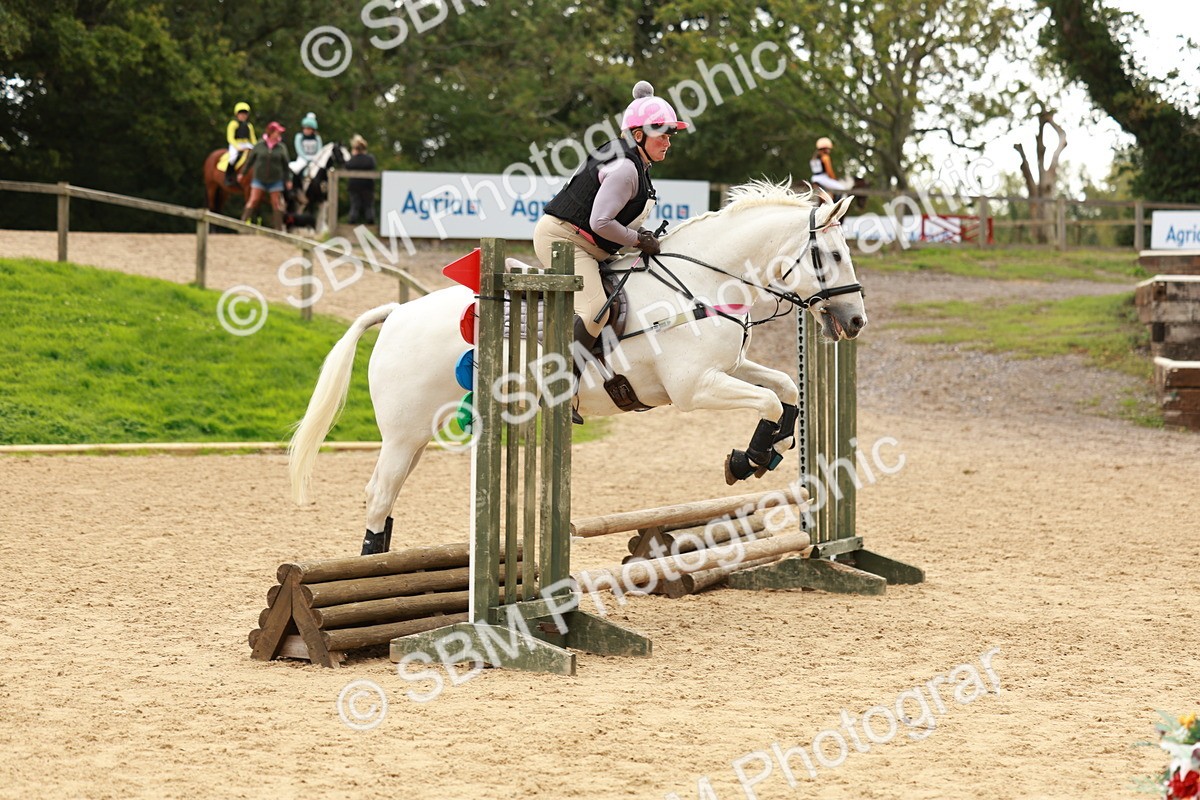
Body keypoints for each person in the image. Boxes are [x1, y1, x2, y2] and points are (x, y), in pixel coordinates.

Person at [536, 80, 686, 423]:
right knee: (594, 312)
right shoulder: (625, 168)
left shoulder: (639, 164)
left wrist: (638, 238)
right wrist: (637, 239)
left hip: (590, 245)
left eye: (669, 134)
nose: (668, 140)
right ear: (637, 136)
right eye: (661, 133)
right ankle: (558, 389)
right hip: (565, 241)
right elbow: (601, 222)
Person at [240, 121, 293, 230]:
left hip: (275, 180)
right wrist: (242, 173)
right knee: (253, 200)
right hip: (259, 178)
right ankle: (242, 225)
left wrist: (288, 179)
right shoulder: (259, 145)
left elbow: (286, 165)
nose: (279, 134)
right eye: (277, 132)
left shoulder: (281, 147)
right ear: (271, 132)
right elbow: (250, 161)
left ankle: (278, 229)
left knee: (276, 203)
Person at [344, 135, 377, 225]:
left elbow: (347, 166)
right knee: (369, 206)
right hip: (367, 186)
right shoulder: (370, 159)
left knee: (355, 206)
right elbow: (373, 165)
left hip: (354, 186)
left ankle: (351, 222)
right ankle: (371, 223)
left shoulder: (352, 160)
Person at [225, 102, 257, 187]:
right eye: (241, 113)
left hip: (246, 144)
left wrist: (256, 147)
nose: (243, 115)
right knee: (233, 157)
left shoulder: (249, 125)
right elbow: (230, 138)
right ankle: (229, 177)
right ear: (237, 114)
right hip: (236, 144)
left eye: (245, 114)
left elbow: (253, 138)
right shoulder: (233, 124)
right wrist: (237, 147)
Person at [291, 112, 323, 182]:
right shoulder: (299, 137)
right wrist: (306, 158)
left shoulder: (317, 138)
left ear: (312, 129)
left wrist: (315, 158)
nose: (306, 130)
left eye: (309, 128)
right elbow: (299, 149)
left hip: (315, 158)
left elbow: (319, 150)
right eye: (305, 128)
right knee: (295, 169)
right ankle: (294, 185)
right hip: (302, 158)